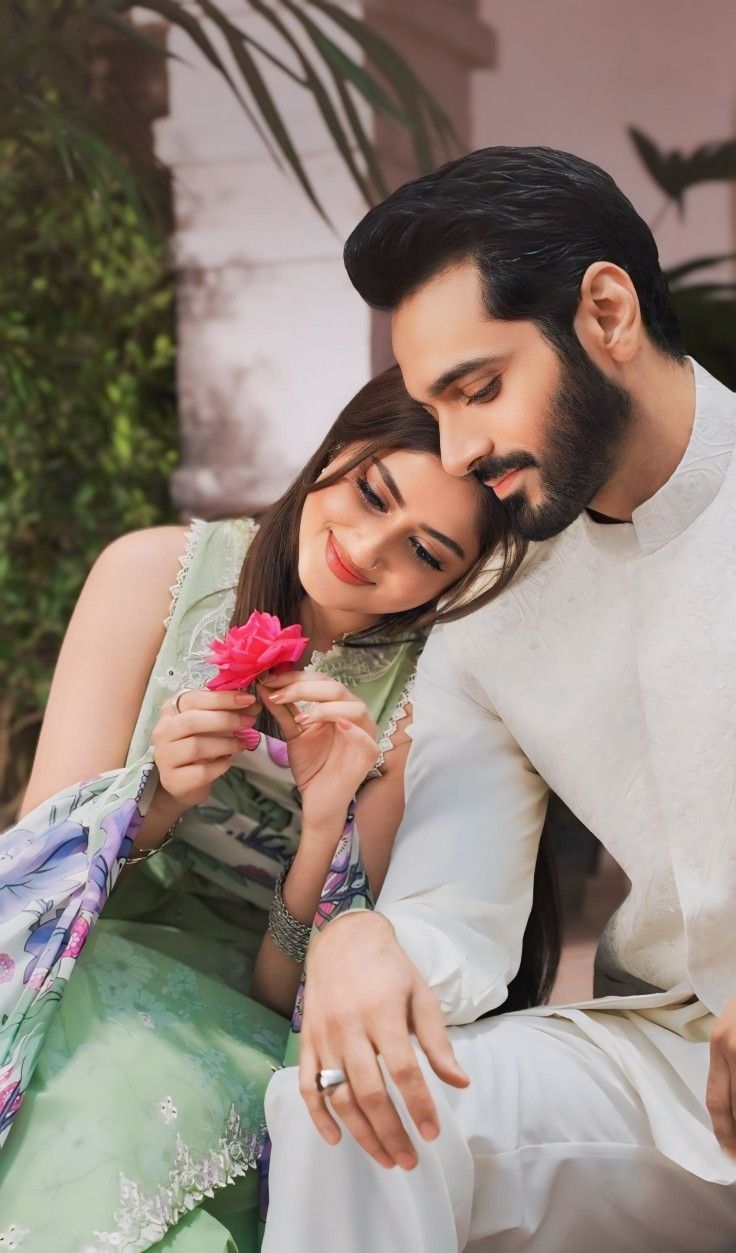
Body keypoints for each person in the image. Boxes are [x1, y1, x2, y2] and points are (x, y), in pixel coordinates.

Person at [261, 147, 736, 1253]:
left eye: (478, 389)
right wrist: (361, 942)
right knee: (345, 1098)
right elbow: (456, 913)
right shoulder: (493, 606)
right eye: (435, 406)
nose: (463, 447)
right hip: (659, 1060)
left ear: (606, 311)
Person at [0, 367, 537, 1251]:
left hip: (239, 1014)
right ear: (339, 442)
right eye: (371, 492)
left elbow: (292, 993)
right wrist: (157, 799)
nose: (367, 550)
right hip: (73, 959)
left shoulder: (414, 706)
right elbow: (38, 880)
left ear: (456, 582)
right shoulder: (149, 576)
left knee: (102, 1096)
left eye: (426, 553)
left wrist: (323, 827)